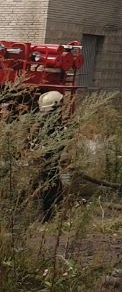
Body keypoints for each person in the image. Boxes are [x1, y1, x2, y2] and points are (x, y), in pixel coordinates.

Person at [34, 90, 68, 222]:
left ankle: (51, 216)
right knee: (50, 189)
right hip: (49, 163)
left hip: (46, 163)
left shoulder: (41, 123)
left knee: (52, 188)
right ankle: (48, 217)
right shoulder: (50, 124)